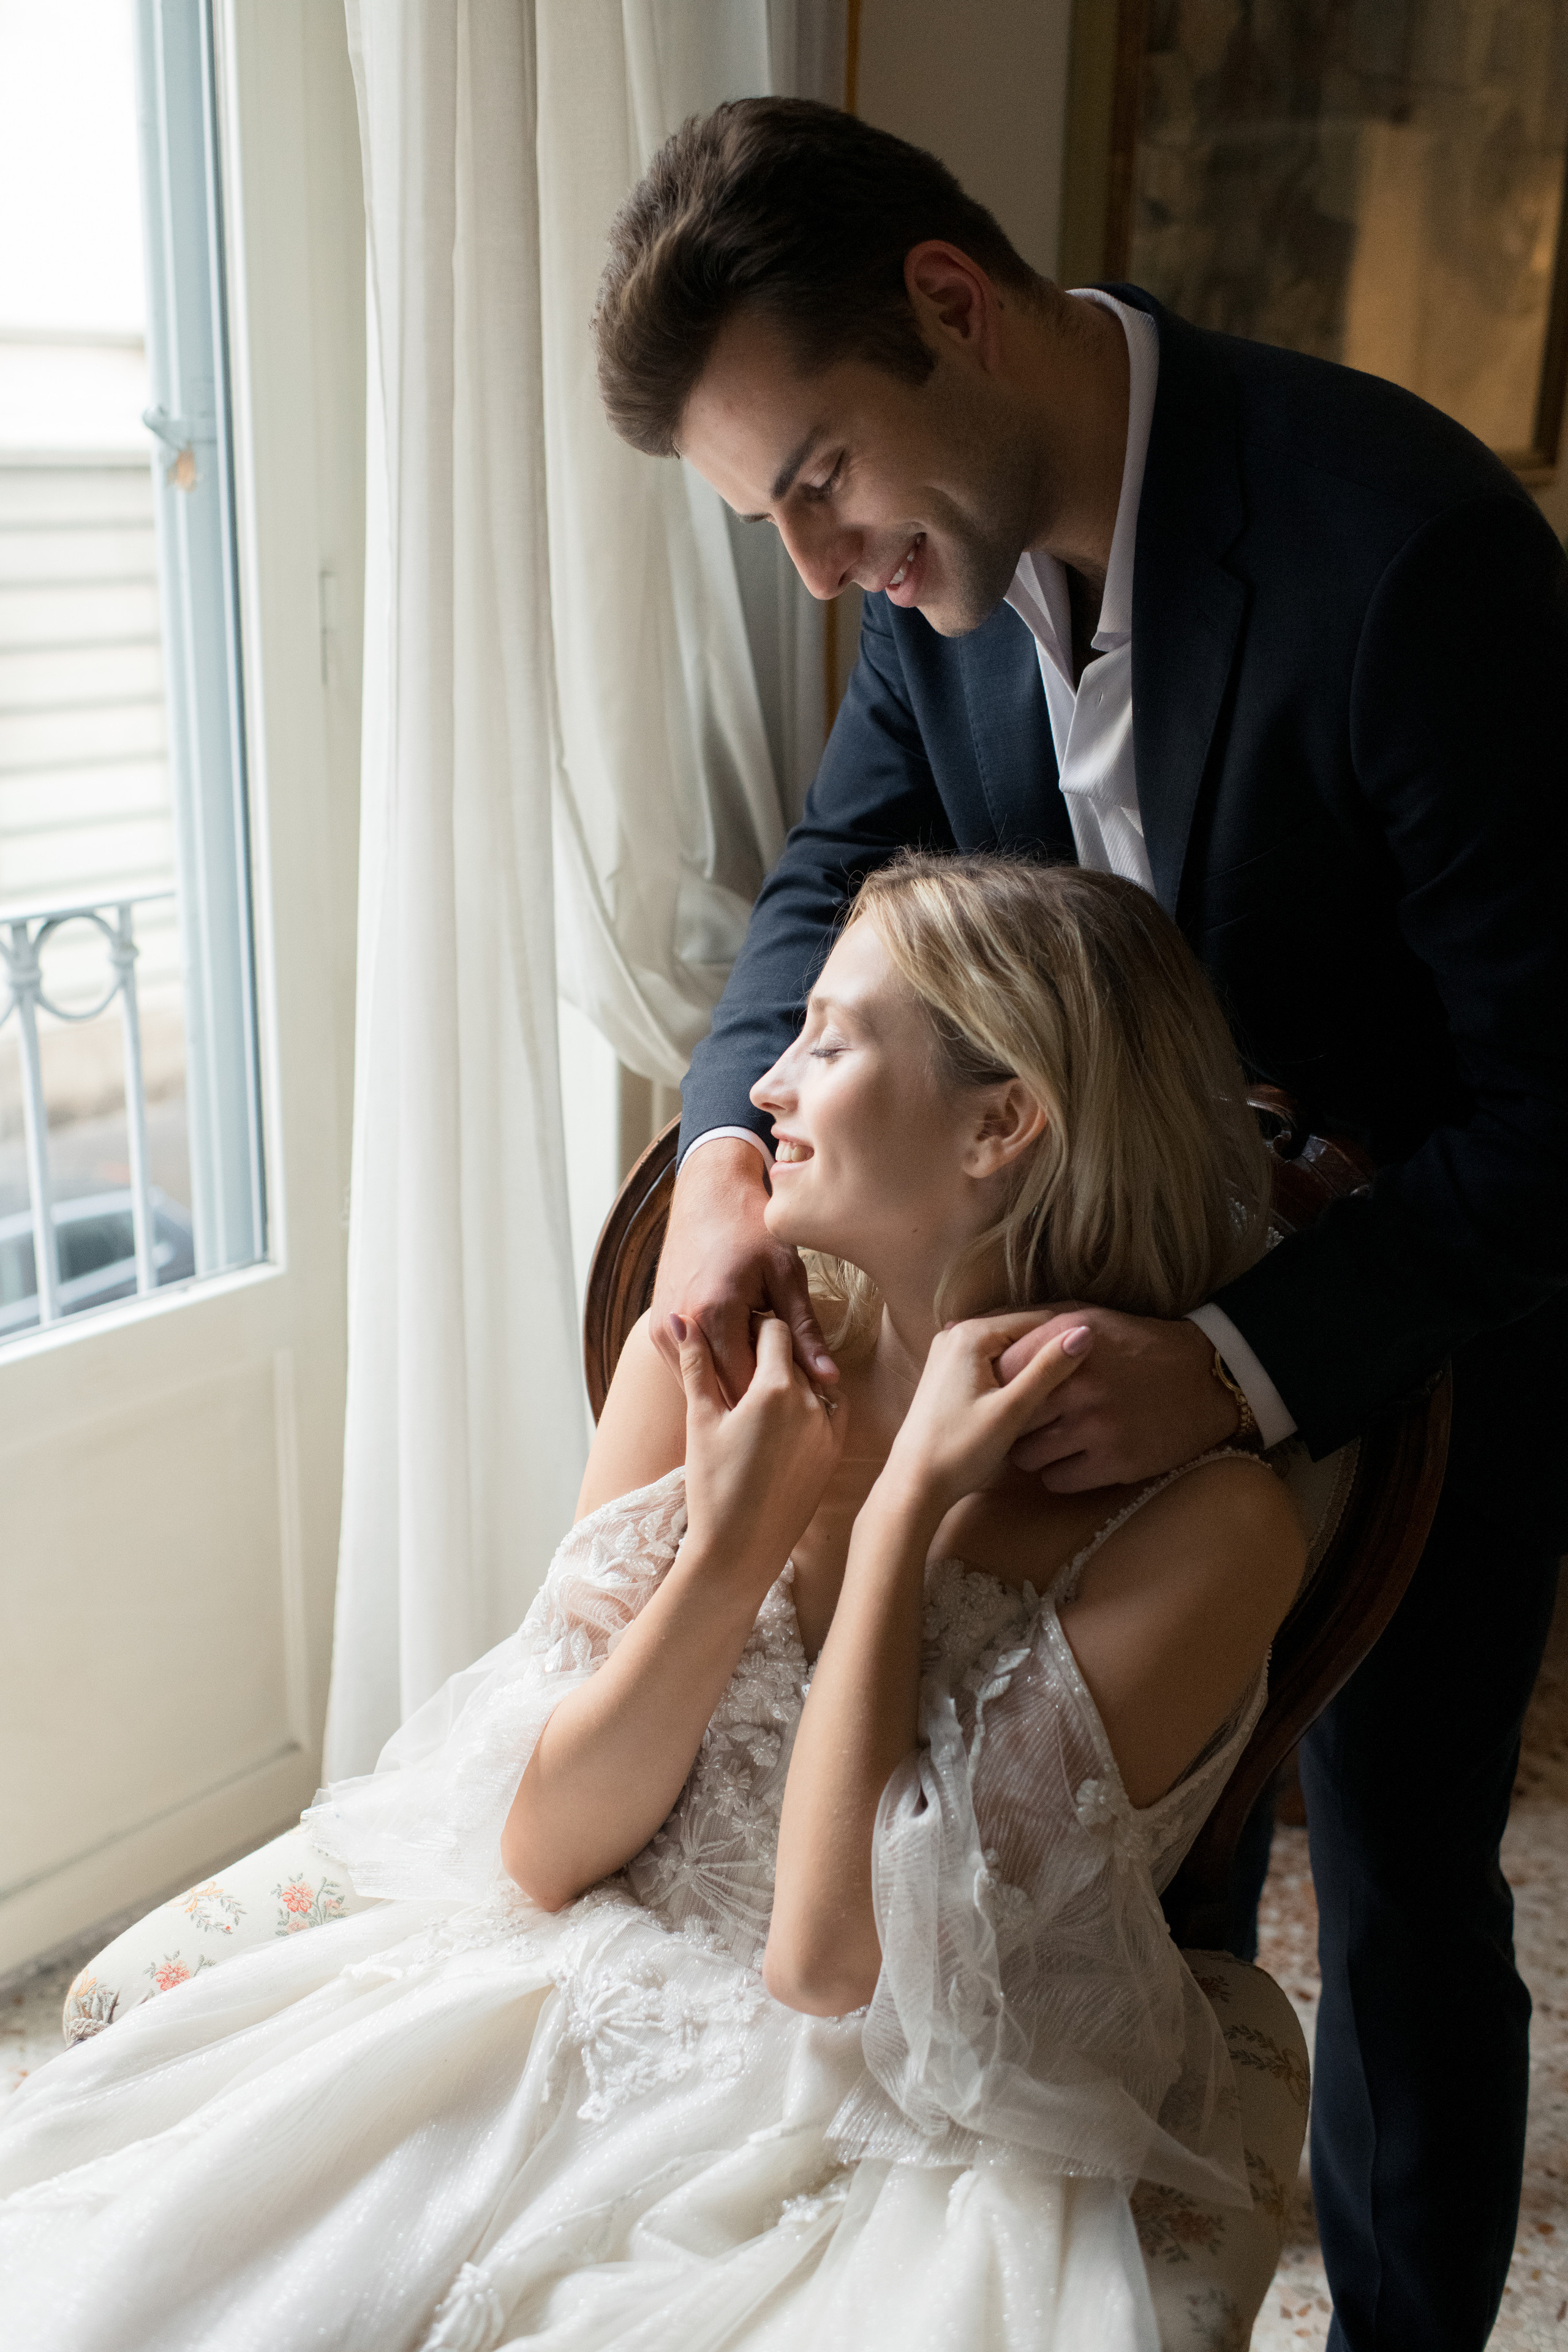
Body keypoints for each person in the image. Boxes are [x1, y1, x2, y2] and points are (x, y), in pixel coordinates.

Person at [591, 99, 1568, 2352]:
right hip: (1075, 1328)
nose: (822, 561)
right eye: (773, 517)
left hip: (1413, 1320)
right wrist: (727, 1157)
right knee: (1115, 1890)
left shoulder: (1403, 553)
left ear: (952, 306)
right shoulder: (935, 584)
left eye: (819, 477)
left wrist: (1241, 1367)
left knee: (1407, 1883)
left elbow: (1556, 1109)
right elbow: (830, 878)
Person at [0, 856, 1308, 2352]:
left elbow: (829, 1967)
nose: (764, 1085)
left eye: (829, 1037)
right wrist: (732, 1547)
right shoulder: (718, 1356)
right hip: (556, 2002)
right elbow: (545, 1847)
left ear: (1000, 1122)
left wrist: (891, 1523)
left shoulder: (1205, 1528)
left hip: (882, 2127)